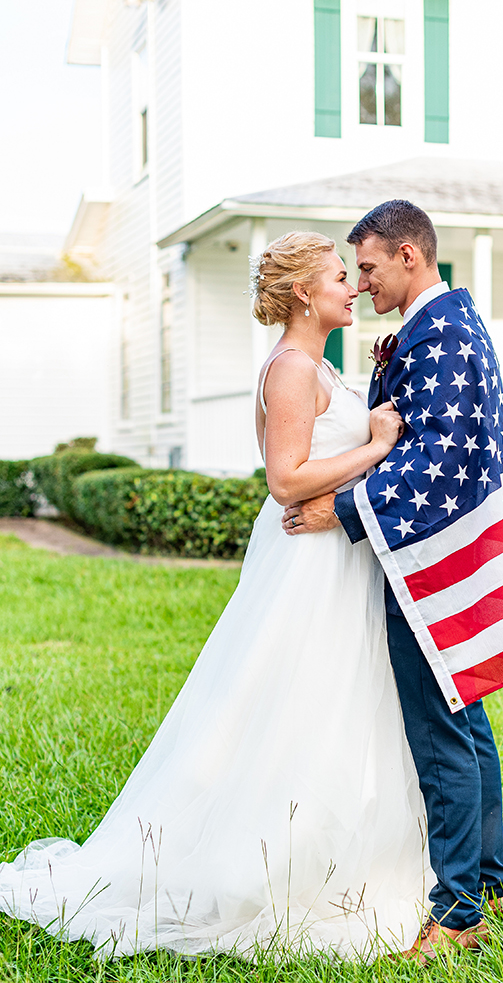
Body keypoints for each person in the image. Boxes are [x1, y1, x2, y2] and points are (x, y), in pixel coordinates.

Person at [0, 231, 434, 960]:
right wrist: (377, 447)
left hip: (335, 554)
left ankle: (346, 848)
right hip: (308, 557)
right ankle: (270, 860)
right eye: (337, 275)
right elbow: (286, 479)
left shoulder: (316, 364)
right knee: (295, 699)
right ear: (303, 292)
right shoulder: (292, 368)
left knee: (339, 700)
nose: (351, 285)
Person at [282, 201, 503, 964]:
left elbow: (437, 462)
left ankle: (459, 912)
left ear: (408, 256)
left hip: (435, 561)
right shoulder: (441, 329)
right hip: (446, 554)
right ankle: (488, 883)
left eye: (365, 267)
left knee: (438, 734)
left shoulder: (443, 336)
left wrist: (343, 510)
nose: (360, 283)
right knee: (463, 719)